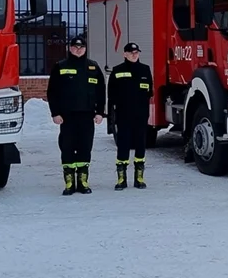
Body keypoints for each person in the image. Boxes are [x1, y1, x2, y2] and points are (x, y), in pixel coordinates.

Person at [47, 35, 106, 195]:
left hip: (87, 115)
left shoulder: (93, 67)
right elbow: (52, 92)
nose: (78, 50)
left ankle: (82, 182)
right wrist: (55, 113)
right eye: (75, 47)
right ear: (70, 48)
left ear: (85, 49)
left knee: (85, 147)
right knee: (67, 147)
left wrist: (100, 112)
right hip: (67, 116)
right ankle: (69, 183)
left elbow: (101, 92)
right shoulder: (60, 66)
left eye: (81, 47)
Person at [108, 42, 154, 190]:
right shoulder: (117, 71)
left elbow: (149, 92)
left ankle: (139, 178)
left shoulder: (145, 70)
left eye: (136, 52)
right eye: (131, 52)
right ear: (125, 54)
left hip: (140, 116)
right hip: (123, 116)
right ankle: (121, 179)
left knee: (141, 146)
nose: (134, 55)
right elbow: (112, 95)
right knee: (123, 146)